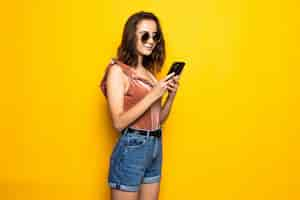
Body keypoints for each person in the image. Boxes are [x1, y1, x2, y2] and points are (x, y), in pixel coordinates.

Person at [99, 11, 180, 200]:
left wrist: (170, 97)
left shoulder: (150, 74)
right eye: (145, 35)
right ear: (131, 36)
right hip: (132, 147)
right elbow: (118, 122)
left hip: (155, 146)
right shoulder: (118, 71)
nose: (151, 41)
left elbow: (157, 120)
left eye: (155, 36)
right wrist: (153, 95)